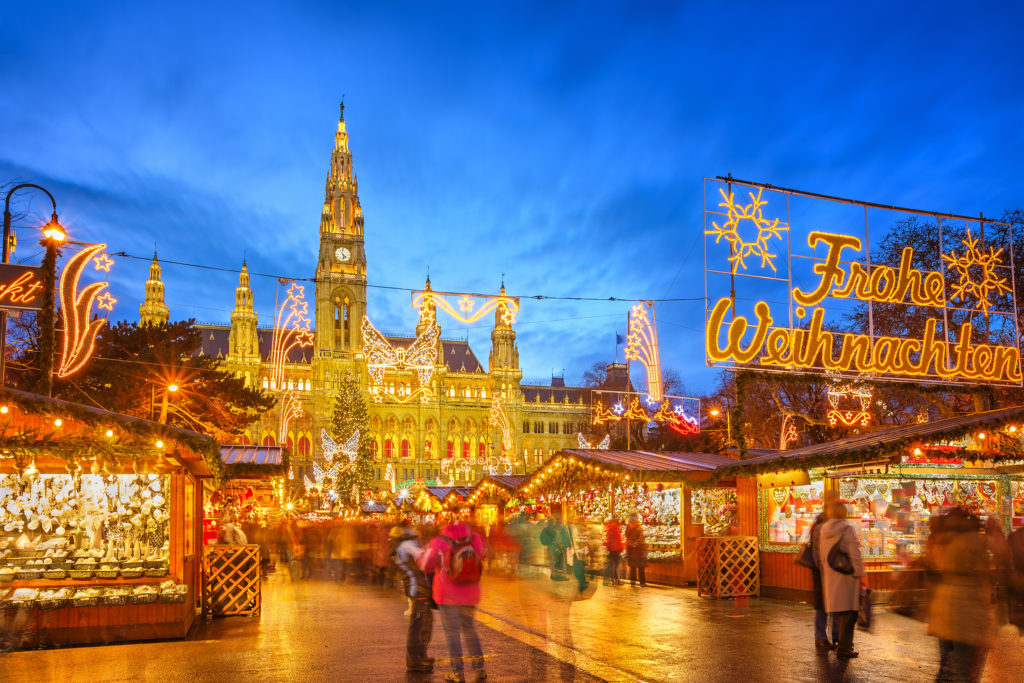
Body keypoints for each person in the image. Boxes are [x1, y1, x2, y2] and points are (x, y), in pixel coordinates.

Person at [926, 507, 994, 682]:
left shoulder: (940, 540)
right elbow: (989, 567)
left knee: (945, 668)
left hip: (943, 608)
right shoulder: (974, 541)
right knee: (964, 670)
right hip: (967, 611)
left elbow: (933, 566)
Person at [420, 519, 487, 683]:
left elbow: (426, 564)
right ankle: (479, 669)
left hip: (447, 595)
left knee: (452, 634)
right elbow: (483, 555)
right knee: (470, 630)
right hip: (471, 593)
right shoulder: (475, 538)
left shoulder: (439, 542)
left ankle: (457, 673)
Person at [817, 499, 865, 659]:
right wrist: (860, 573)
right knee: (850, 613)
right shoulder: (846, 529)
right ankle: (844, 648)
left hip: (831, 576)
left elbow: (822, 554)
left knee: (841, 612)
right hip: (847, 577)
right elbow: (855, 554)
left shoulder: (824, 529)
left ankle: (843, 645)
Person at [391, 522, 434, 674]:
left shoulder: (402, 545)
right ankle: (414, 661)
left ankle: (420, 657)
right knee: (418, 625)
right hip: (418, 589)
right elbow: (426, 559)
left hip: (417, 588)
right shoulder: (407, 545)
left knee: (424, 623)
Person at [807, 509, 839, 653]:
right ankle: (824, 637)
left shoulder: (820, 527)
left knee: (828, 605)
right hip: (824, 572)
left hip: (825, 571)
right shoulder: (822, 529)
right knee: (826, 606)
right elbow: (820, 553)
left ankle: (829, 636)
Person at [625, 514, 648, 587]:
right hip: (638, 551)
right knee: (641, 567)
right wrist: (636, 544)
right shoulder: (638, 527)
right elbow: (641, 538)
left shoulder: (628, 528)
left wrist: (632, 544)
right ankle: (642, 582)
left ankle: (633, 582)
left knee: (633, 567)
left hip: (631, 551)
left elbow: (627, 538)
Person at [604, 517, 624, 586]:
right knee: (616, 566)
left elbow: (608, 540)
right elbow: (618, 540)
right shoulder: (616, 529)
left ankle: (611, 580)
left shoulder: (608, 528)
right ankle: (616, 580)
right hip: (616, 550)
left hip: (611, 549)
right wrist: (621, 548)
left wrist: (608, 547)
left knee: (611, 565)